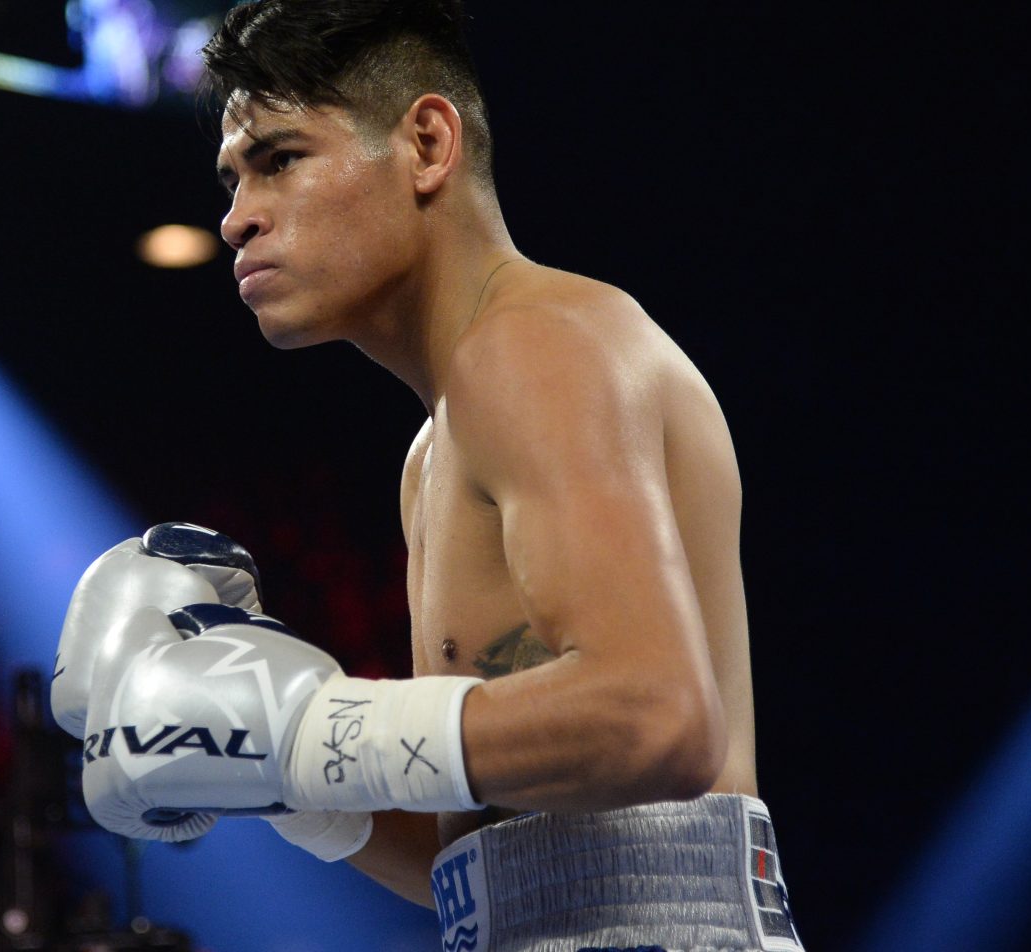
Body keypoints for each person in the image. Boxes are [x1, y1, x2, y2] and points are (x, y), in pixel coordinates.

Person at [51, 2, 804, 949]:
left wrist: (305, 727)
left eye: (280, 159)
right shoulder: (433, 452)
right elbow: (481, 854)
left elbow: (656, 721)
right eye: (232, 178)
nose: (236, 217)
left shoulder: (536, 345)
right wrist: (273, 774)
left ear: (427, 143)